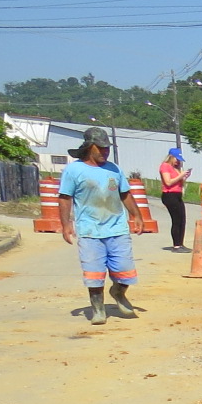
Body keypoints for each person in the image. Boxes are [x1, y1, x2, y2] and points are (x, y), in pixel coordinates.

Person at [57, 126, 146, 325]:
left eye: (107, 149)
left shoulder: (113, 169)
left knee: (125, 271)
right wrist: (66, 224)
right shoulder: (74, 170)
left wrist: (137, 216)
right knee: (94, 274)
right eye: (101, 148)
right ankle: (98, 310)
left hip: (117, 228)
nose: (105, 152)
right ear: (90, 147)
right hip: (90, 231)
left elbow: (125, 194)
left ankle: (118, 291)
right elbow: (64, 198)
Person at [158, 147, 192, 252]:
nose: (178, 161)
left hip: (177, 194)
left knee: (182, 219)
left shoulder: (176, 169)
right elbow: (168, 182)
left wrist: (184, 177)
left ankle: (180, 243)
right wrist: (180, 175)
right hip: (169, 195)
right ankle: (176, 245)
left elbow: (178, 183)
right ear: (171, 157)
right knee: (176, 219)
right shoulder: (165, 166)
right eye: (176, 159)